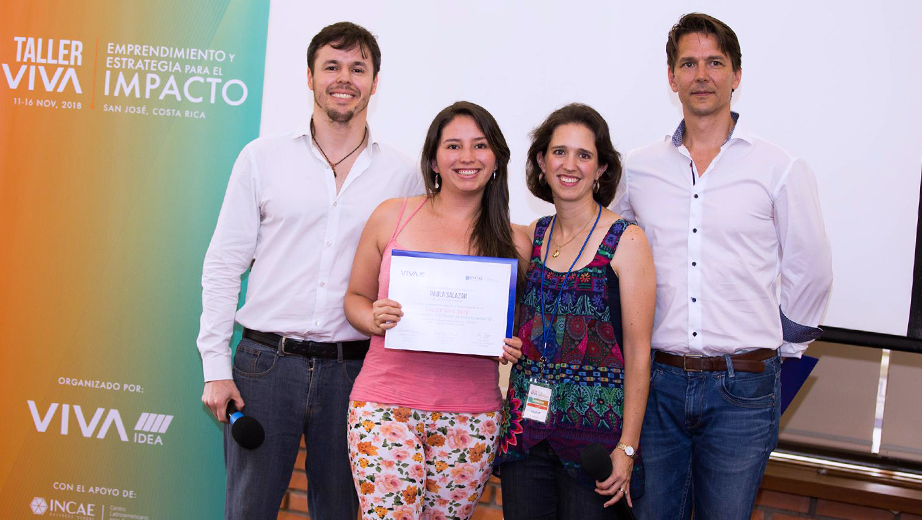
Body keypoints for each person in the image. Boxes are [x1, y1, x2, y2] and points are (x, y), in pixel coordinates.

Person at [197, 22, 423, 520]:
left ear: (375, 82)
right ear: (310, 76)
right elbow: (223, 266)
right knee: (248, 511)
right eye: (332, 67)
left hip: (354, 370)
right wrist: (215, 368)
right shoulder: (261, 158)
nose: (345, 79)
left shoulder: (403, 174)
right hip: (264, 367)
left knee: (341, 512)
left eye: (358, 69)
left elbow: (417, 270)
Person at [612, 13, 833, 519]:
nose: (702, 75)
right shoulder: (638, 169)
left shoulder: (779, 167)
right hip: (658, 385)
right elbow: (614, 256)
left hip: (743, 389)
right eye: (688, 64)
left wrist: (784, 348)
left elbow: (811, 269)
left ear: (736, 74)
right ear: (672, 78)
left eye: (715, 62)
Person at [343, 101, 524, 520]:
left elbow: (522, 326)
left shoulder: (515, 242)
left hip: (472, 415)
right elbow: (355, 297)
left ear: (496, 159)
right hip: (384, 406)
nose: (467, 157)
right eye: (453, 146)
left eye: (480, 145)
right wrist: (372, 318)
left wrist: (513, 343)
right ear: (434, 160)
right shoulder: (393, 216)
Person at [497, 103, 656, 519]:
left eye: (584, 155)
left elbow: (640, 355)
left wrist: (627, 448)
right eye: (559, 152)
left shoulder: (627, 240)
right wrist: (504, 338)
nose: (571, 165)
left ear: (601, 168)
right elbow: (517, 322)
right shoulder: (534, 237)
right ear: (541, 162)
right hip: (526, 436)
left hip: (595, 448)